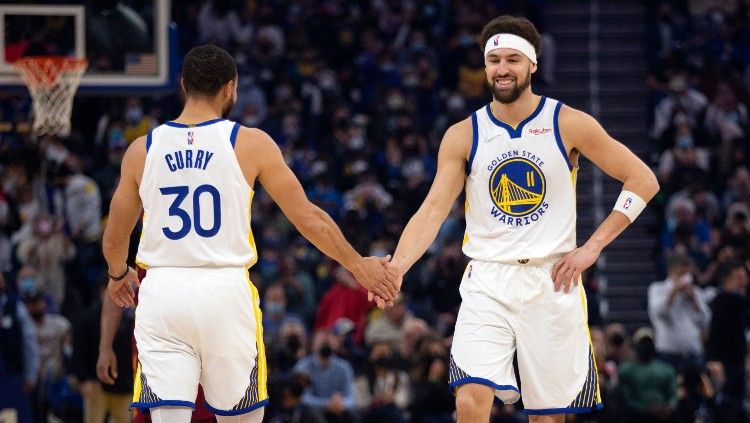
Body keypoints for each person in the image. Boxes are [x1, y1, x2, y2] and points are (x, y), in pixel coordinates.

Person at [372, 15, 660, 422]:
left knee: (547, 415)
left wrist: (592, 246)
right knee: (470, 397)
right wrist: (398, 267)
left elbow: (643, 180)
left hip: (552, 279)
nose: (502, 69)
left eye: (512, 59)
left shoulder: (568, 123)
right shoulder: (463, 134)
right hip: (487, 280)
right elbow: (433, 209)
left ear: (532, 65)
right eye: (494, 60)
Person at [101, 45, 398, 423]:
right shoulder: (250, 143)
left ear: (182, 85)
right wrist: (359, 266)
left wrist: (116, 274)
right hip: (224, 291)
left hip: (162, 292)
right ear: (231, 88)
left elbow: (114, 238)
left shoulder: (141, 150)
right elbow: (308, 218)